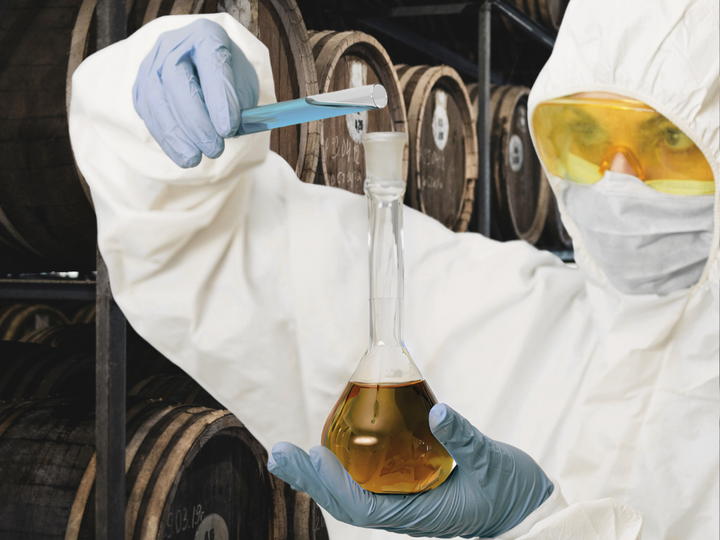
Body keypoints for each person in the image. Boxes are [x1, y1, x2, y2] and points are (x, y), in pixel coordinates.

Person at [68, 0, 718, 537]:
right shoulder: (487, 306)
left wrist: (535, 522)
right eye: (589, 132)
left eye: (668, 141)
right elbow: (203, 243)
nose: (619, 178)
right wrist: (160, 132)